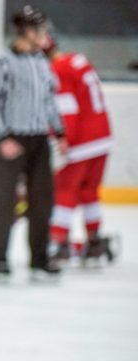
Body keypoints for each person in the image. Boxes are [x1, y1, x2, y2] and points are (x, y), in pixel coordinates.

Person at [0, 5, 67, 283]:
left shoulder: (42, 61)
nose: (46, 36)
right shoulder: (2, 61)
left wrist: (60, 132)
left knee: (43, 202)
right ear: (28, 32)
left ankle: (40, 259)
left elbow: (49, 101)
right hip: (10, 140)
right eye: (41, 30)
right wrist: (4, 135)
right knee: (3, 203)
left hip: (38, 141)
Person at [43, 33, 114, 264]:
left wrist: (64, 139)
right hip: (102, 138)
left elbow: (68, 109)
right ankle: (94, 241)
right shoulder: (77, 60)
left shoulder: (58, 69)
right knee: (89, 192)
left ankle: (58, 242)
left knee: (64, 191)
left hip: (81, 142)